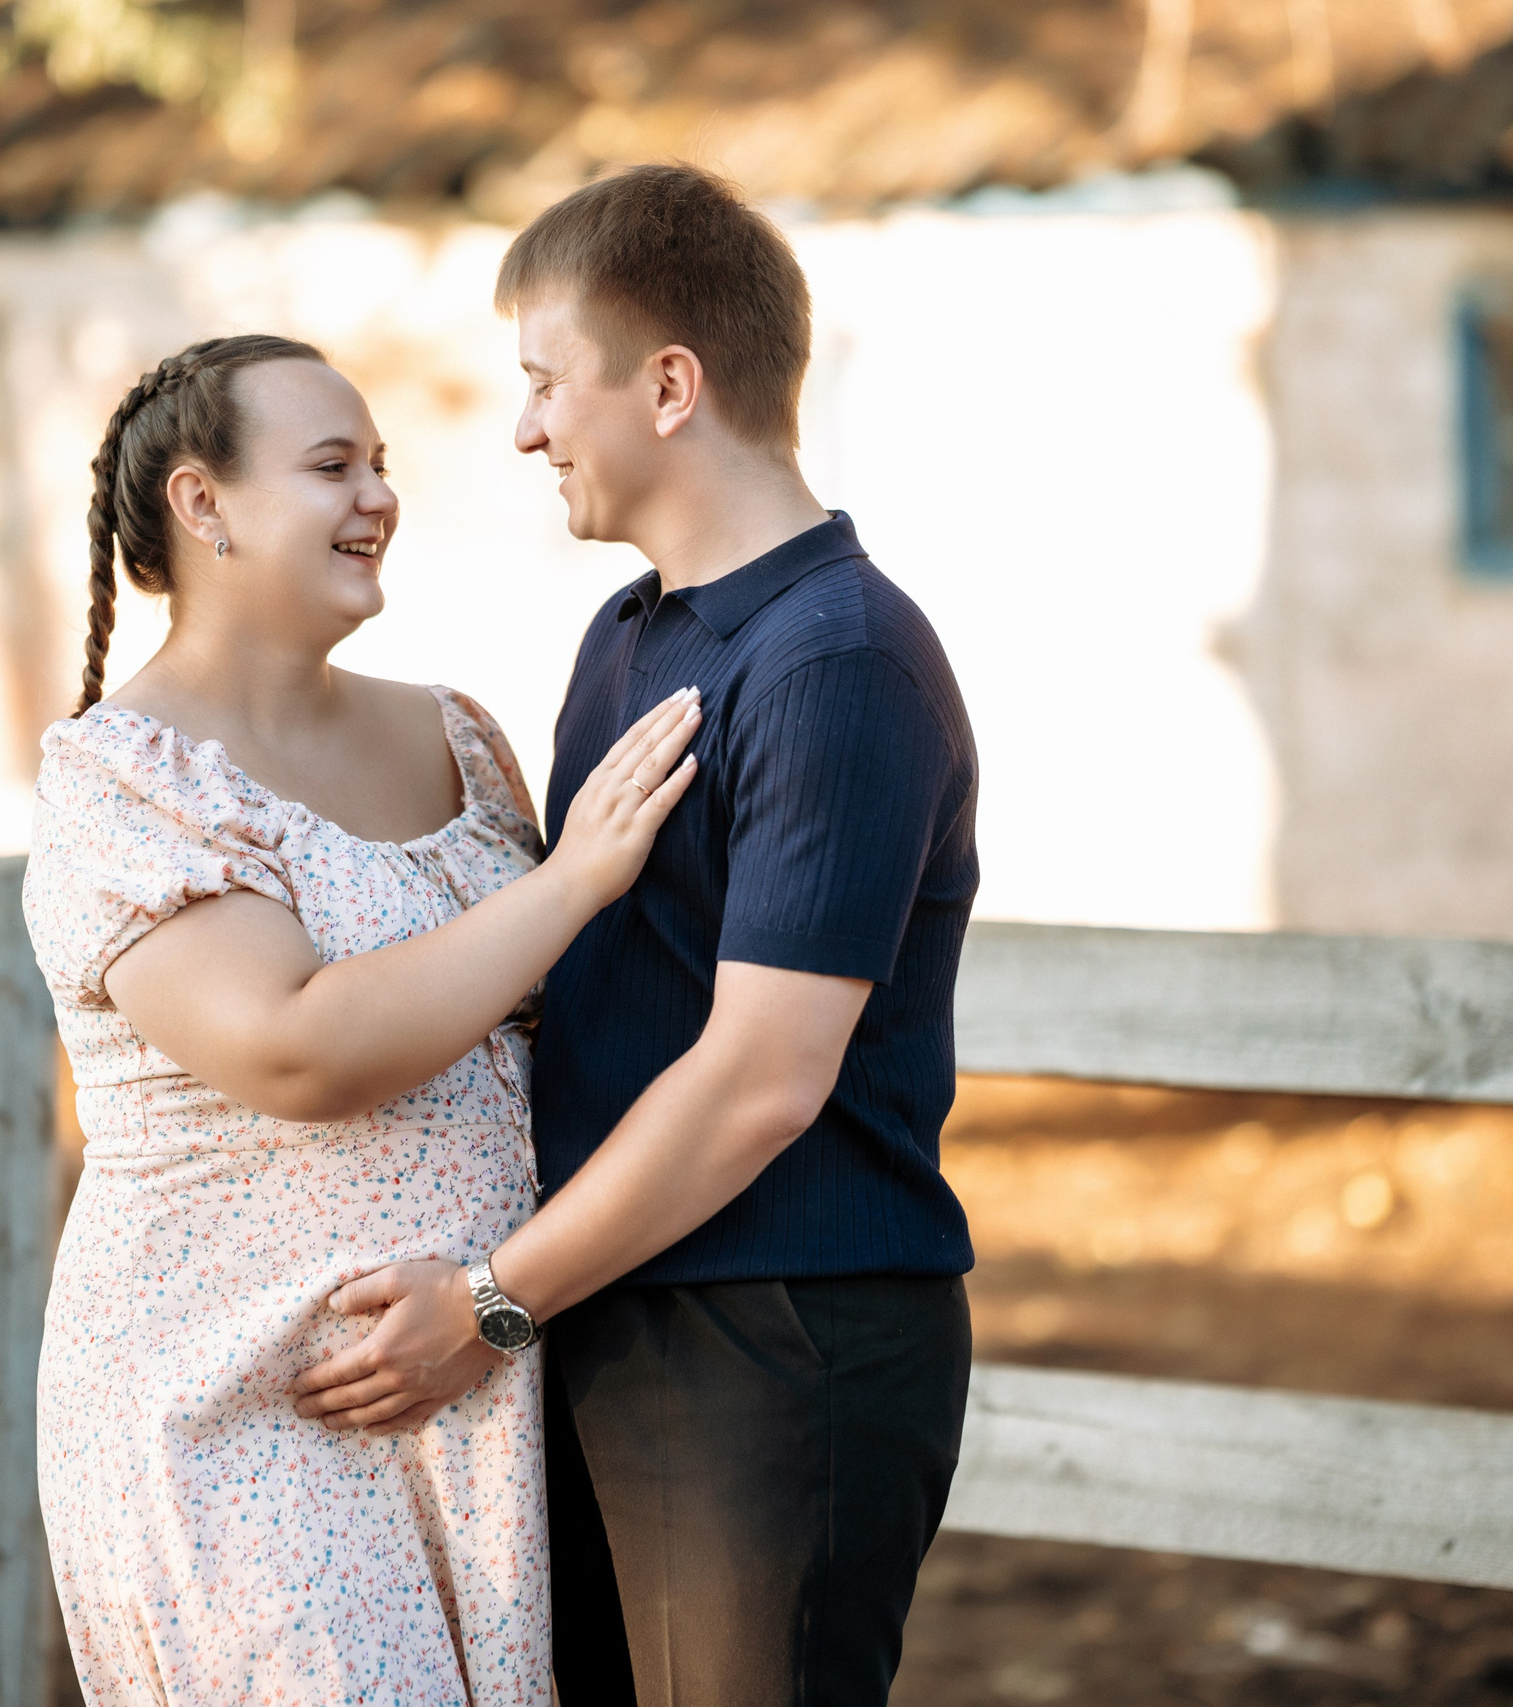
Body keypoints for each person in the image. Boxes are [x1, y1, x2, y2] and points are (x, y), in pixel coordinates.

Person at [291, 164, 982, 1707]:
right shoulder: (632, 635)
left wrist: (486, 1302)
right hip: (611, 1306)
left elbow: (761, 1081)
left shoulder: (838, 663)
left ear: (670, 385)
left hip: (775, 1342)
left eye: (545, 381)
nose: (525, 427)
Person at [19, 331, 702, 1705]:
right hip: (241, 1410)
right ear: (201, 505)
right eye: (332, 465)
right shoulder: (120, 785)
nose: (378, 495)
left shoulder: (454, 734)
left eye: (380, 463)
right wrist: (574, 881)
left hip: (473, 1386)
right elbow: (296, 1046)